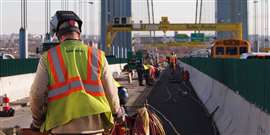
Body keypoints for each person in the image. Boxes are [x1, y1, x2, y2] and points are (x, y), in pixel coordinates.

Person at [30, 10, 123, 134]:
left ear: (58, 34)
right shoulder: (98, 56)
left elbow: (36, 94)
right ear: (78, 33)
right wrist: (117, 113)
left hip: (61, 129)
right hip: (95, 129)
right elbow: (111, 93)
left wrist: (37, 122)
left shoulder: (48, 58)